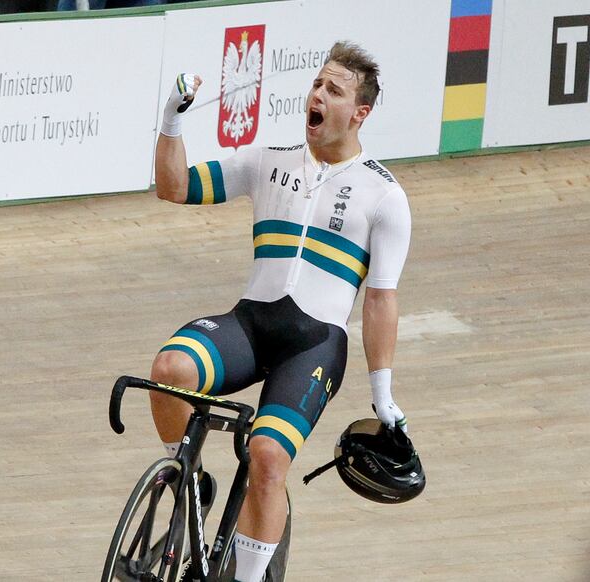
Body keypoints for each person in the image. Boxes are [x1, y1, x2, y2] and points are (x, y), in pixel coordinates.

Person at [149, 41, 412, 582]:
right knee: (168, 371)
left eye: (333, 91)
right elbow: (174, 187)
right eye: (317, 83)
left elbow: (381, 300)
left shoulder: (383, 196)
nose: (317, 94)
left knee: (268, 457)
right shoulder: (267, 161)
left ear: (360, 113)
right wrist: (171, 123)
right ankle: (187, 480)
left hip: (315, 346)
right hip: (251, 324)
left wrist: (382, 395)